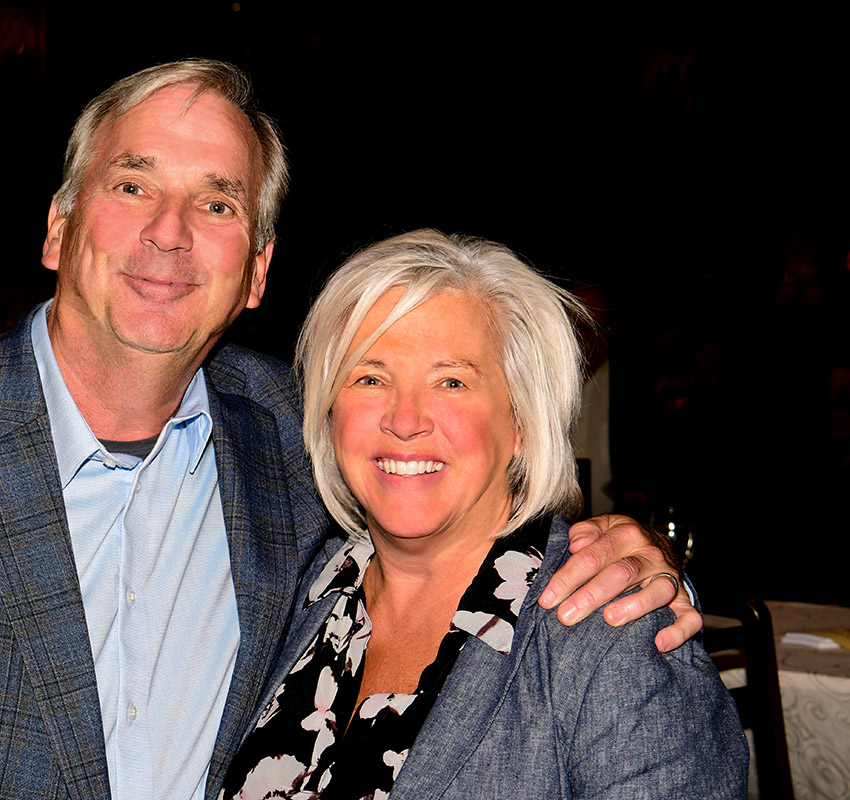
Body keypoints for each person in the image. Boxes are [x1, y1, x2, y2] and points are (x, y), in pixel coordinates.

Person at [0, 62, 694, 800]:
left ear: (256, 271)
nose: (169, 232)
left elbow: (452, 487)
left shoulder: (297, 445)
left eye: (217, 203)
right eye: (132, 185)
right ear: (59, 226)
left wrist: (612, 549)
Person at [222, 230, 747, 799]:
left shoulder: (610, 638)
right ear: (328, 410)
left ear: (521, 421)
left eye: (451, 381)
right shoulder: (289, 588)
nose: (405, 419)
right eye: (370, 377)